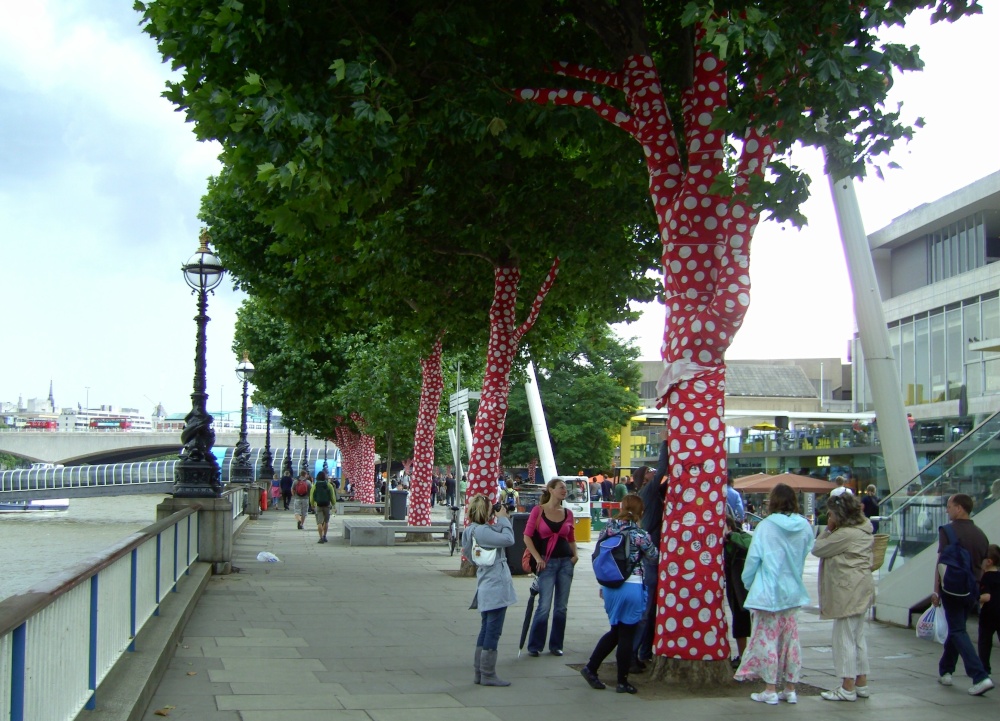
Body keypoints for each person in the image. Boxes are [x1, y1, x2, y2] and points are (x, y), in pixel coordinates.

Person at [735, 483, 815, 705]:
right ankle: (790, 687)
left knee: (767, 639)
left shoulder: (766, 526)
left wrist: (748, 582)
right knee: (791, 640)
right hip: (793, 591)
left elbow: (753, 559)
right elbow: (805, 551)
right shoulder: (804, 526)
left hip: (768, 592)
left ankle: (770, 688)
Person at [580, 494, 656, 694]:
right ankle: (622, 681)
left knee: (616, 631)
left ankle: (591, 668)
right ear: (641, 512)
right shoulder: (640, 534)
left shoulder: (608, 529)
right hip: (632, 586)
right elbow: (654, 556)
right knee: (627, 634)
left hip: (609, 586)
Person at [811, 492, 875, 701]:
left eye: (831, 514)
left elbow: (818, 548)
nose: (829, 517)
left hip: (847, 589)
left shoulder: (845, 534)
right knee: (857, 637)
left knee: (844, 637)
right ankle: (861, 682)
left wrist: (828, 529)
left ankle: (847, 686)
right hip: (861, 586)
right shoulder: (864, 529)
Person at [931, 493, 993, 696]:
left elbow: (941, 562)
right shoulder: (981, 534)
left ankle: (979, 676)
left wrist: (936, 590)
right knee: (957, 627)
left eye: (949, 506)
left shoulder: (947, 531)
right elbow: (983, 566)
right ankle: (946, 670)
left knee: (958, 630)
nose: (947, 510)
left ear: (959, 508)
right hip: (972, 589)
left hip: (952, 588)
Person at [462, 494, 516, 687]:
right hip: (495, 585)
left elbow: (468, 555)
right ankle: (488, 674)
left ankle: (480, 672)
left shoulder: (470, 530)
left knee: (486, 629)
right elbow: (509, 539)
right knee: (493, 631)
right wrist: (503, 519)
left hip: (485, 583)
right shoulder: (483, 531)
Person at [523, 478, 578, 657]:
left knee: (561, 606)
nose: (564, 490)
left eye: (565, 488)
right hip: (547, 563)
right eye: (561, 487)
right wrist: (537, 557)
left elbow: (571, 538)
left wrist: (575, 555)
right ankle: (535, 645)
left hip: (565, 563)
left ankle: (556, 645)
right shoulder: (538, 511)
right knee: (544, 605)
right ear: (551, 490)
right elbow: (527, 537)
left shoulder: (568, 513)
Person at [724, 512, 753, 670]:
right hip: (734, 589)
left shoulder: (742, 537)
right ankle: (743, 655)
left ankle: (748, 656)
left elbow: (749, 544)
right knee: (739, 621)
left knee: (745, 620)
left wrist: (731, 537)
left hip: (745, 588)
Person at [978, 544, 1000, 676]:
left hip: (989, 614)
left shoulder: (986, 577)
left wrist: (975, 598)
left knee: (985, 642)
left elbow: (986, 597)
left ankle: (985, 670)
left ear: (988, 562)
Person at [310, 471, 337, 544]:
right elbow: (332, 496)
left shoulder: (315, 485)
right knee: (326, 521)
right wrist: (334, 505)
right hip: (327, 505)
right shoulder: (329, 485)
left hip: (318, 505)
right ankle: (324, 536)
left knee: (319, 522)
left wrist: (312, 504)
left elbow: (312, 496)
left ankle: (321, 537)